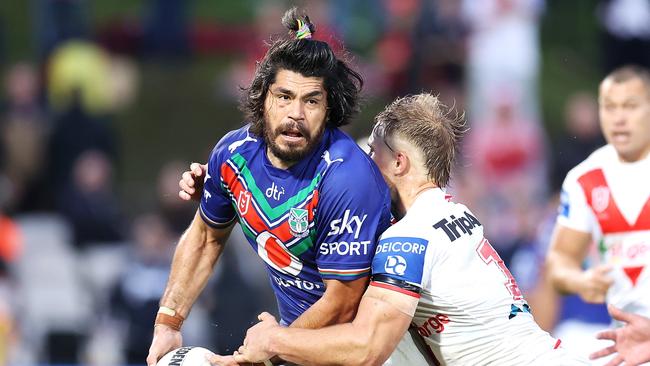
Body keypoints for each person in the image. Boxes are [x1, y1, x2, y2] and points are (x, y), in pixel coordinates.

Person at [219, 93, 587, 365]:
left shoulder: (408, 238)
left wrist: (275, 341)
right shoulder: (453, 212)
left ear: (399, 162)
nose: (361, 172)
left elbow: (366, 347)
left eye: (372, 155)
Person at [146, 8, 396, 365]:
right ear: (263, 99)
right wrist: (169, 322)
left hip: (367, 353)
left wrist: (263, 353)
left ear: (329, 110)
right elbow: (204, 238)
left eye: (311, 101)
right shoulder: (232, 155)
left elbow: (342, 304)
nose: (296, 113)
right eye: (284, 97)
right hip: (293, 344)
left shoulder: (347, 179)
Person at [546, 66, 650, 327]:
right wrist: (580, 280)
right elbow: (560, 261)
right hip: (626, 340)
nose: (619, 118)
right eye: (609, 107)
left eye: (630, 106)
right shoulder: (584, 179)